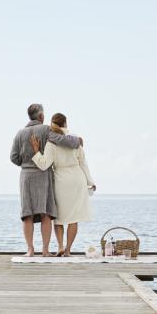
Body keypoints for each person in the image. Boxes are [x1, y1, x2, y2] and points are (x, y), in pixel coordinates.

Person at [10, 103, 82, 257]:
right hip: (43, 176)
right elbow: (62, 140)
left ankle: (30, 250)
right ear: (41, 116)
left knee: (27, 214)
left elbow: (13, 157)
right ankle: (45, 250)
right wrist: (77, 141)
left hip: (26, 176)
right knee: (46, 214)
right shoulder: (46, 130)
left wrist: (25, 163)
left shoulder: (19, 133)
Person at [30, 112, 95, 257]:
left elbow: (43, 165)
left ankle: (60, 246)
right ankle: (67, 250)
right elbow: (83, 163)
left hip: (60, 181)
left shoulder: (50, 142)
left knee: (58, 217)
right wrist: (90, 182)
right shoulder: (75, 141)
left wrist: (36, 151)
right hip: (77, 179)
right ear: (65, 124)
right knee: (74, 217)